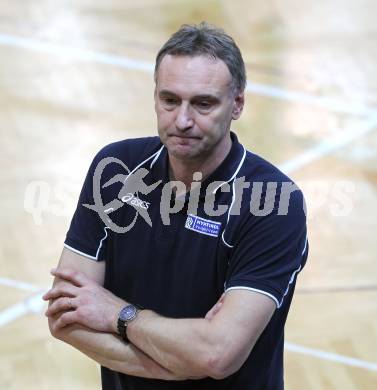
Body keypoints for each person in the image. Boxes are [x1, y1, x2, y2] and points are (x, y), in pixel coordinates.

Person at [43, 22, 308, 389]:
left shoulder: (275, 201)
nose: (182, 121)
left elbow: (217, 353)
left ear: (237, 104)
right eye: (170, 100)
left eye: (203, 103)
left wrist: (118, 314)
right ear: (155, 96)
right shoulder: (115, 170)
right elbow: (65, 317)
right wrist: (182, 364)